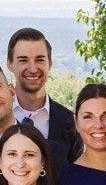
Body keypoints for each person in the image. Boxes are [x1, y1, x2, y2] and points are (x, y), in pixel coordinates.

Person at [7, 26, 78, 165]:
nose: (33, 69)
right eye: (23, 60)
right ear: (10, 64)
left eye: (40, 60)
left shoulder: (70, 123)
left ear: (50, 63)